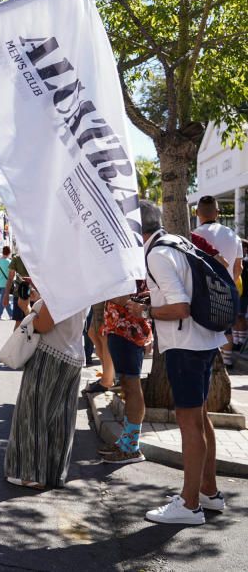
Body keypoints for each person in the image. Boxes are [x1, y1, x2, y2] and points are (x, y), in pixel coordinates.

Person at [133, 201, 226, 525]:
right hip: (204, 341)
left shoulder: (156, 253)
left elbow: (180, 308)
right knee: (199, 417)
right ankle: (209, 492)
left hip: (185, 346)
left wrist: (144, 311)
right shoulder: (177, 242)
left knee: (188, 423)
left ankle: (189, 506)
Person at [4, 289, 88, 489]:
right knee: (61, 418)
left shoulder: (61, 284)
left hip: (50, 355)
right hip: (73, 355)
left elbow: (44, 325)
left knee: (32, 414)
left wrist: (28, 310)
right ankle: (54, 472)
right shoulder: (86, 285)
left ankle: (29, 473)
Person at [97, 282, 153, 465]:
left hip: (129, 331)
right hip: (121, 329)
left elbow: (125, 297)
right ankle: (126, 442)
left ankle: (131, 448)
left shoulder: (132, 263)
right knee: (128, 387)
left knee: (131, 386)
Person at [192, 195, 243, 366]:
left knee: (202, 330)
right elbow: (239, 268)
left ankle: (210, 363)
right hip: (226, 289)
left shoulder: (192, 236)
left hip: (200, 292)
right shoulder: (232, 235)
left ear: (197, 212)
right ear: (218, 213)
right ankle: (226, 363)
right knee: (226, 329)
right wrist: (230, 283)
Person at [1, 252, 32, 330]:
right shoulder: (17, 258)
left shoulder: (37, 257)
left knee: (32, 323)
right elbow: (10, 278)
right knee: (20, 322)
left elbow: (10, 278)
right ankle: (16, 342)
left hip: (31, 295)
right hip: (21, 295)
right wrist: (6, 295)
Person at [0, 246, 13, 320]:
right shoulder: (10, 262)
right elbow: (12, 274)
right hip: (6, 284)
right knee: (3, 300)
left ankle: (12, 315)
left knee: (4, 299)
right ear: (9, 253)